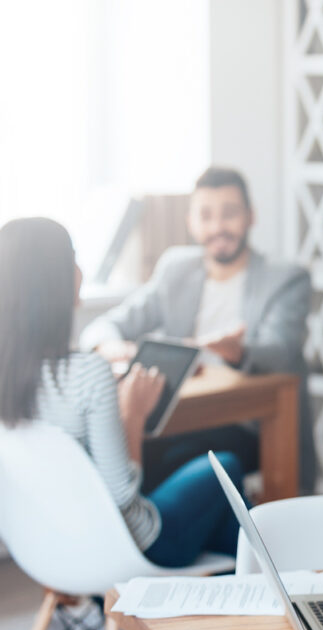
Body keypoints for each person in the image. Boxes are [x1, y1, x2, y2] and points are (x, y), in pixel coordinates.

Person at [0, 217, 246, 567]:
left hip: (54, 548)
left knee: (223, 522)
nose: (80, 270)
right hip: (136, 548)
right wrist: (133, 413)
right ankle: (279, 584)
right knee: (225, 464)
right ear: (53, 278)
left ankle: (251, 584)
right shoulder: (87, 373)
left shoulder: (9, 376)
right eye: (73, 258)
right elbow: (122, 495)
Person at [79, 166, 317, 494]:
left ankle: (152, 535)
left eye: (230, 214)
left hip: (249, 423)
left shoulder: (285, 277)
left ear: (251, 216)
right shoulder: (176, 268)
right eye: (206, 216)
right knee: (113, 445)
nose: (218, 227)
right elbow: (102, 327)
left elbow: (281, 350)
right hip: (180, 416)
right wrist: (111, 346)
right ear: (191, 222)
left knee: (171, 459)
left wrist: (240, 352)